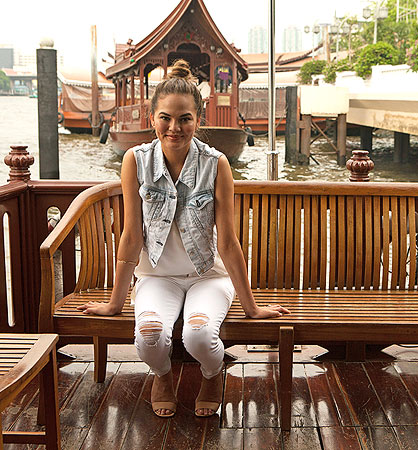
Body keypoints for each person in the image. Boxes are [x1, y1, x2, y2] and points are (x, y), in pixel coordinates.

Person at [77, 59, 290, 418]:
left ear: (198, 119)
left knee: (198, 336)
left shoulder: (216, 164)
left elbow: (228, 241)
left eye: (185, 118)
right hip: (157, 276)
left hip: (209, 276)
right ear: (152, 118)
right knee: (148, 335)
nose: (174, 128)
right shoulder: (135, 160)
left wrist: (252, 308)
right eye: (165, 118)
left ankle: (211, 374)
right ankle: (162, 374)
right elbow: (131, 235)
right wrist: (115, 304)